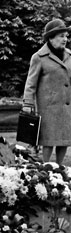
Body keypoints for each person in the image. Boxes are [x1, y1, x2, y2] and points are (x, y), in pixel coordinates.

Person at [22, 18, 71, 166]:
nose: (65, 39)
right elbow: (30, 84)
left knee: (64, 140)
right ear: (51, 38)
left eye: (66, 36)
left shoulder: (70, 55)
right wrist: (28, 105)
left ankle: (60, 168)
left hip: (67, 106)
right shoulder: (38, 57)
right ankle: (46, 168)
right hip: (48, 107)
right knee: (48, 141)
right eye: (61, 36)